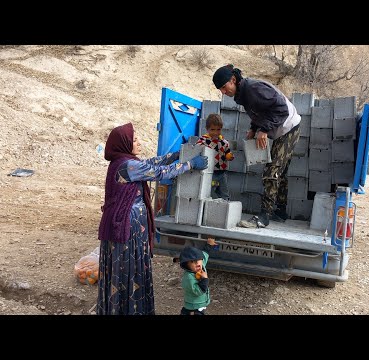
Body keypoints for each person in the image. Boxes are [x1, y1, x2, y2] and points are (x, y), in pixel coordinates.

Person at [97, 122, 208, 315]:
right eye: (135, 140)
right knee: (129, 269)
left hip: (127, 226)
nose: (139, 142)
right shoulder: (128, 165)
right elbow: (160, 172)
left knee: (127, 269)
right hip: (127, 228)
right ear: (124, 144)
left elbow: (150, 163)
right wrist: (190, 164)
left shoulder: (124, 161)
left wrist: (172, 156)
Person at [212, 64, 301, 228]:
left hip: (288, 127)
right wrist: (254, 128)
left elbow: (281, 109)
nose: (223, 93)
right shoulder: (243, 93)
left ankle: (264, 217)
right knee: (281, 171)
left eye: (224, 87)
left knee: (271, 171)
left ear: (233, 80)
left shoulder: (254, 88)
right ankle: (280, 212)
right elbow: (260, 110)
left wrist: (264, 129)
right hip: (281, 128)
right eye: (220, 90)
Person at [196, 113, 234, 200]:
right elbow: (196, 150)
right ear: (207, 129)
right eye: (212, 130)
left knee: (224, 194)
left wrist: (229, 156)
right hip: (209, 173)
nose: (216, 133)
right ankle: (209, 209)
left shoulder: (224, 142)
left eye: (218, 129)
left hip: (222, 173)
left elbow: (227, 153)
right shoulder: (203, 140)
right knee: (208, 193)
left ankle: (224, 209)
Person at [178, 238, 217, 315]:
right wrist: (204, 279)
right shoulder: (189, 277)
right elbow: (198, 291)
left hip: (200, 303)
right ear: (187, 265)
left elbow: (205, 254)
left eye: (198, 260)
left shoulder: (201, 266)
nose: (197, 263)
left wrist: (209, 245)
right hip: (194, 305)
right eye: (192, 262)